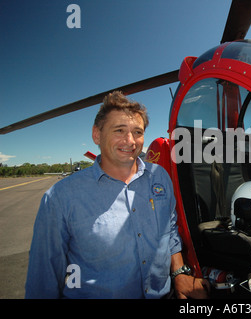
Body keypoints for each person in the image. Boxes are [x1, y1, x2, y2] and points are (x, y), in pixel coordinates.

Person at [25, 91, 209, 299]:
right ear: (97, 135)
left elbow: (169, 229)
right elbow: (44, 276)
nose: (130, 140)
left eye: (137, 132)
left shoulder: (160, 177)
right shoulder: (60, 197)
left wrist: (178, 273)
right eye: (119, 130)